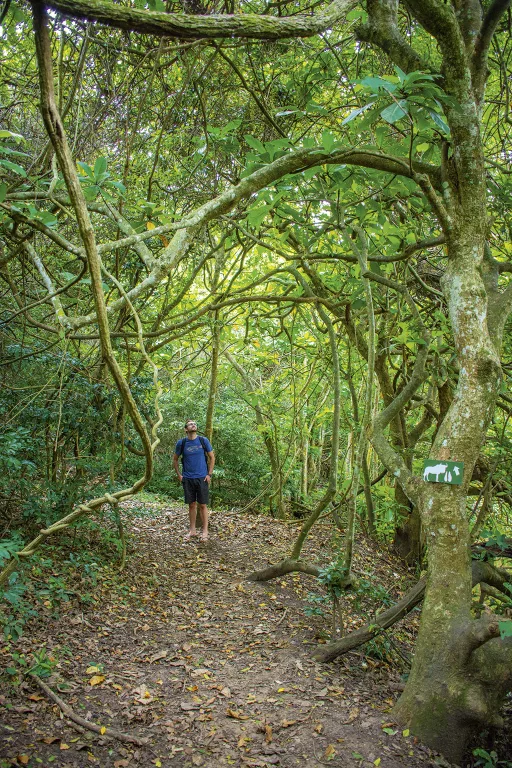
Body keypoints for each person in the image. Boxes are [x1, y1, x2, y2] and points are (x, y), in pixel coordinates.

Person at [173, 419, 215, 542]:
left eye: (195, 424)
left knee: (202, 505)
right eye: (191, 424)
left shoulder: (203, 441)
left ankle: (205, 531)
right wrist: (179, 475)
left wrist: (209, 474)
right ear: (186, 429)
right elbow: (175, 459)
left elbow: (212, 457)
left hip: (202, 477)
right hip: (188, 478)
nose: (193, 425)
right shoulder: (182, 443)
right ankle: (192, 531)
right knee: (191, 505)